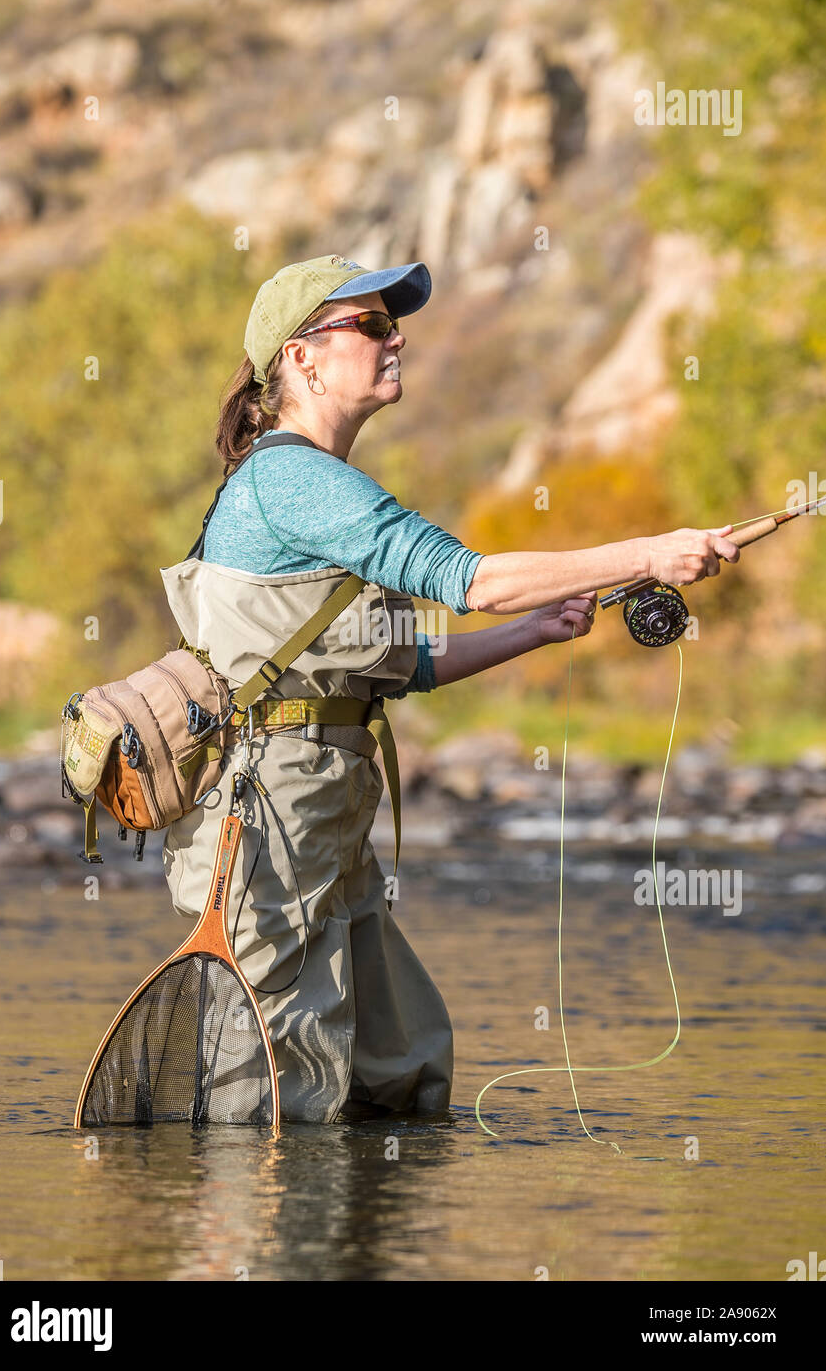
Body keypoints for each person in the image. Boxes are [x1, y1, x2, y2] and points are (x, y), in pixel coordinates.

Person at [160, 254, 740, 1124]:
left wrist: (532, 633)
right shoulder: (294, 480)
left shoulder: (317, 486)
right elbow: (466, 578)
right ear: (299, 359)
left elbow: (396, 665)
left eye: (394, 325)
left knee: (397, 1065)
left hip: (322, 816)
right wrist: (648, 555)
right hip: (266, 823)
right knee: (274, 1093)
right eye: (369, 325)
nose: (395, 341)